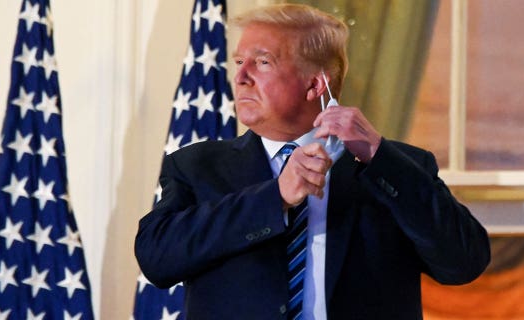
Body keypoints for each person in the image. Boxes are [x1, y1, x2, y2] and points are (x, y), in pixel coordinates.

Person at [135, 3, 490, 319]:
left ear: (315, 85)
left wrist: (380, 158)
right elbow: (156, 259)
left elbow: (464, 262)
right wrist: (274, 198)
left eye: (262, 62)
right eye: (239, 62)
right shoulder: (197, 166)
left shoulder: (397, 168)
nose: (241, 77)